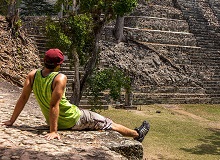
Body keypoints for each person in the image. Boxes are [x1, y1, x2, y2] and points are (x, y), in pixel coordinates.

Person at [1, 48, 150, 142]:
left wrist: (11, 121)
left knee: (101, 122)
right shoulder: (59, 78)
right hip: (73, 119)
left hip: (56, 120)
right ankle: (137, 134)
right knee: (108, 123)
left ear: (44, 61)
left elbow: (23, 98)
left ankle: (136, 133)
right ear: (59, 64)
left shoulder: (33, 75)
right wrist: (53, 131)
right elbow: (54, 105)